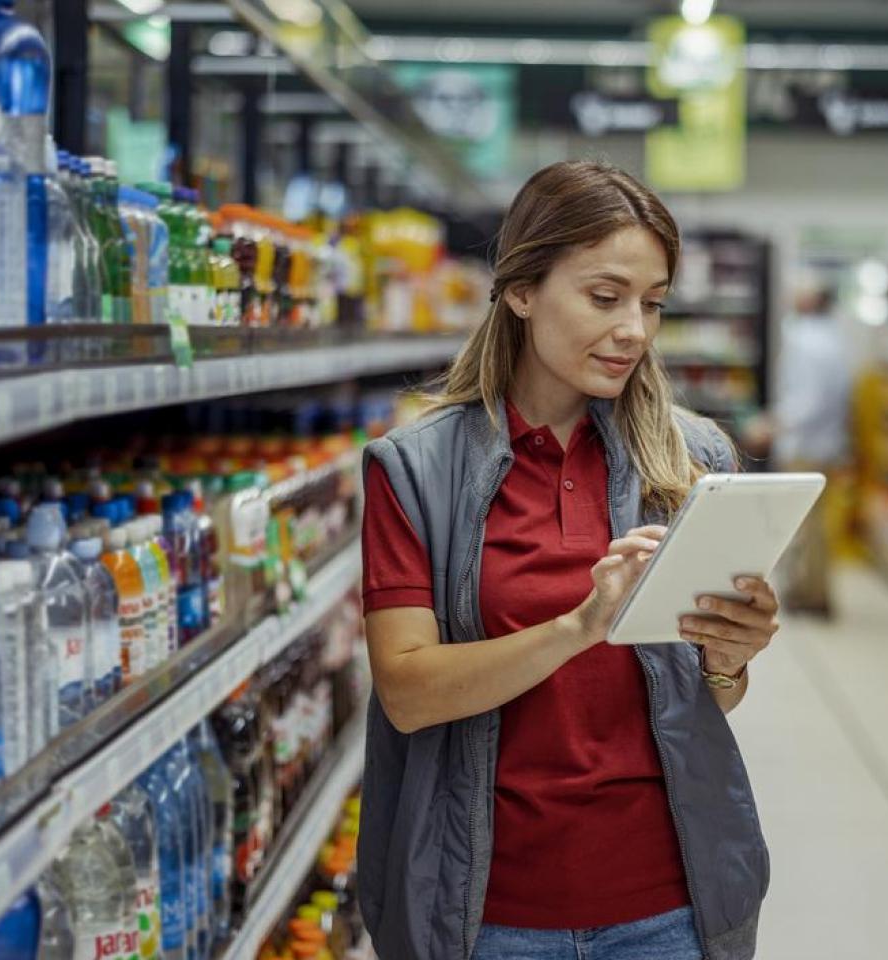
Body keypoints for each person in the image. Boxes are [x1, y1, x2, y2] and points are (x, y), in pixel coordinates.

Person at [358, 160, 777, 960]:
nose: (636, 331)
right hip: (489, 917)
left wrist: (729, 659)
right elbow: (407, 693)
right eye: (605, 297)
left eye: (652, 304)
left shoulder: (691, 460)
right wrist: (582, 625)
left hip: (671, 909)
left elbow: (707, 703)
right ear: (522, 289)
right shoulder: (417, 470)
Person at [751, 280, 857, 616]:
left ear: (811, 299)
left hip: (805, 447)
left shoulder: (804, 340)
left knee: (806, 526)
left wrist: (773, 424)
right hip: (826, 444)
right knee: (817, 525)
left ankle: (808, 595)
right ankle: (815, 593)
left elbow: (808, 400)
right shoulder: (833, 338)